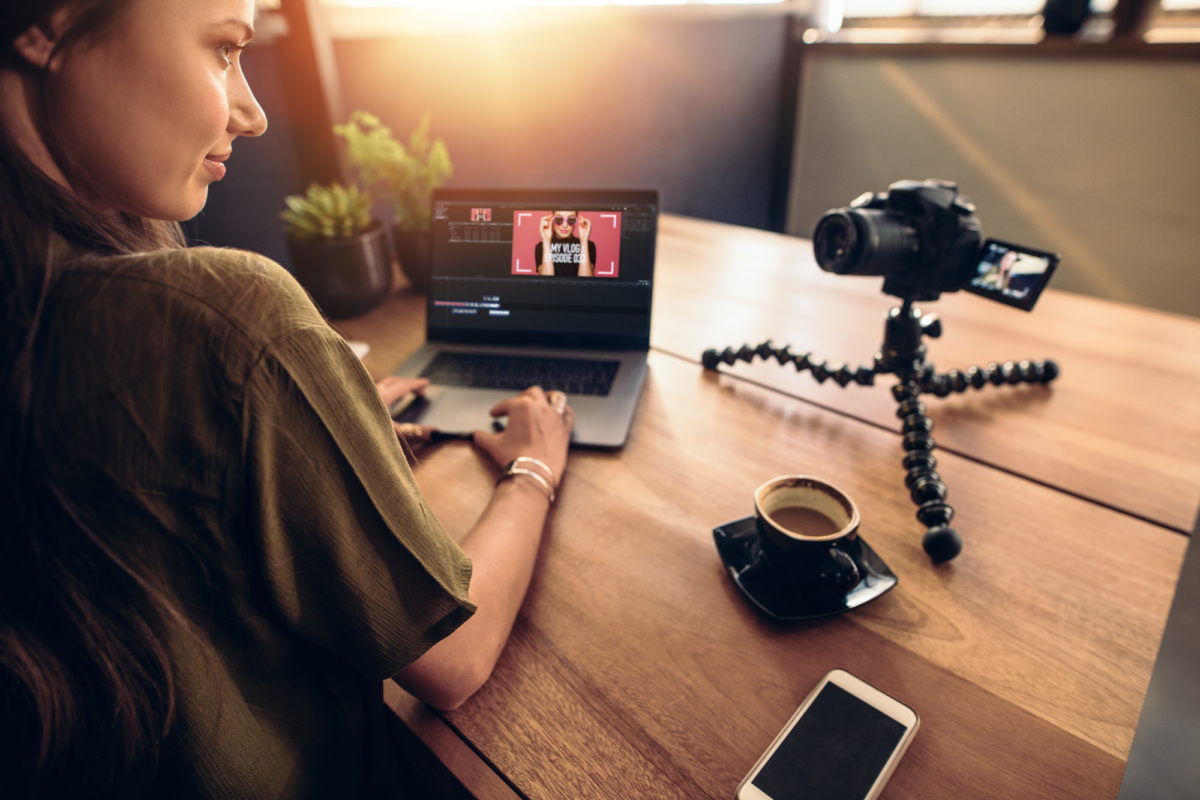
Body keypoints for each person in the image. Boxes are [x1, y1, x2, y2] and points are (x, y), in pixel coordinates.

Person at [0, 1, 573, 798]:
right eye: (225, 48)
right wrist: (535, 469)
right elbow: (453, 658)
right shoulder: (232, 320)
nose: (255, 112)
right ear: (50, 24)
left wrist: (308, 425)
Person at [536, 209, 595, 277]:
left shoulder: (589, 246)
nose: (564, 225)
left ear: (577, 220)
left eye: (571, 220)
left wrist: (584, 241)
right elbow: (545, 284)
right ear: (551, 218)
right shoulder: (541, 247)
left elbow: (586, 284)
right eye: (559, 219)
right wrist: (546, 241)